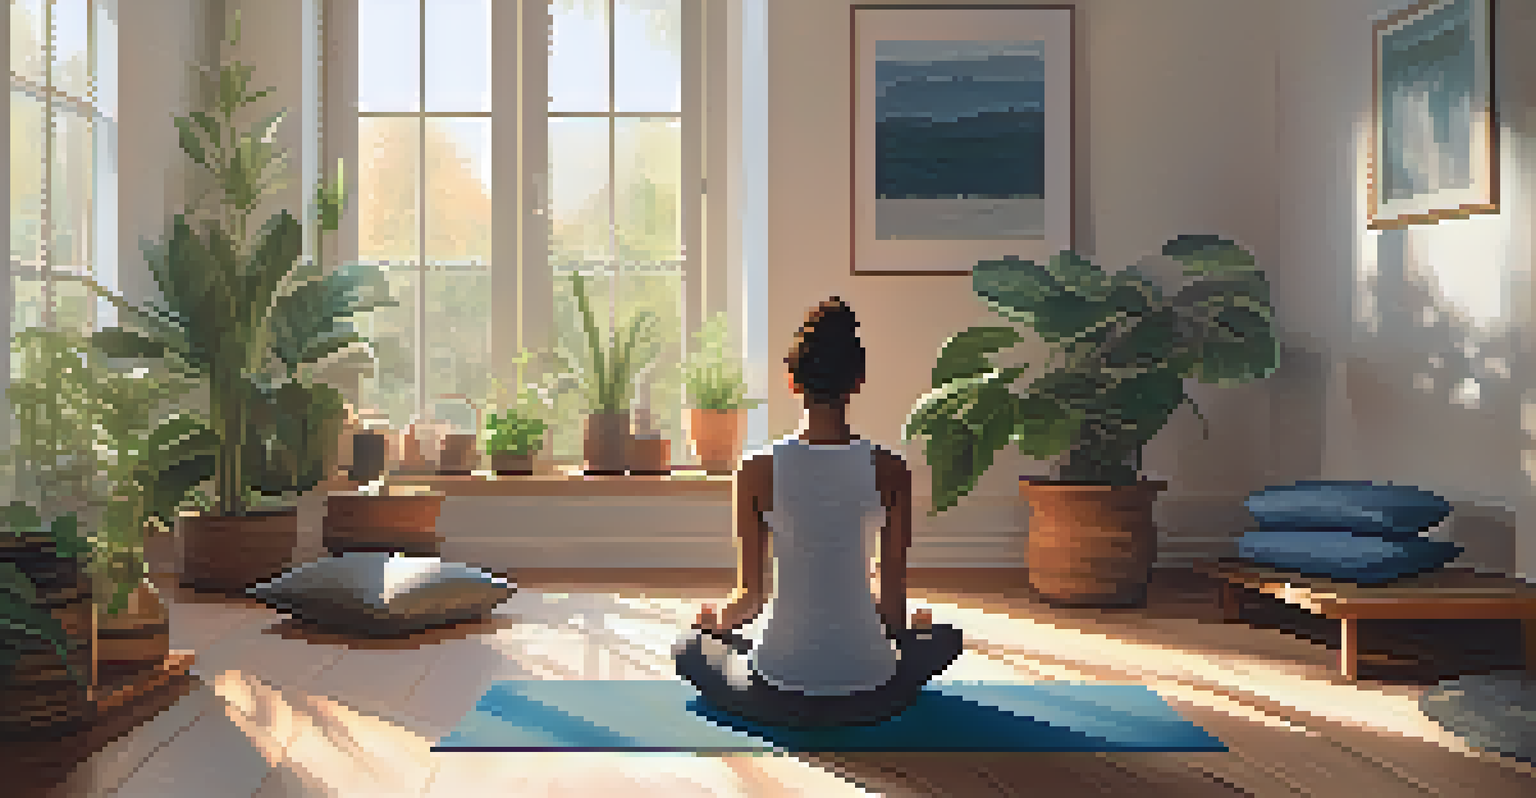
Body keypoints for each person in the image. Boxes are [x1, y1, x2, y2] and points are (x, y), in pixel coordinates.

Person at [672, 297, 963, 729]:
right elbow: (892, 606)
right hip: (873, 690)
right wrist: (910, 634)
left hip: (776, 687)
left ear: (792, 381)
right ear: (858, 381)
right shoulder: (891, 469)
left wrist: (714, 623)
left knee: (689, 646)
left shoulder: (755, 470)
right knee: (944, 639)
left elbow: (750, 601)